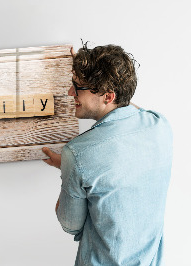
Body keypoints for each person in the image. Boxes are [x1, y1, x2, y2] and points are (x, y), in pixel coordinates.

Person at [42, 43, 173, 265]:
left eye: (78, 87)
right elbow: (126, 106)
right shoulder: (160, 125)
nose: (70, 92)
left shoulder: (77, 153)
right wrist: (89, 73)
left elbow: (70, 225)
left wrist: (69, 168)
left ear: (108, 96)